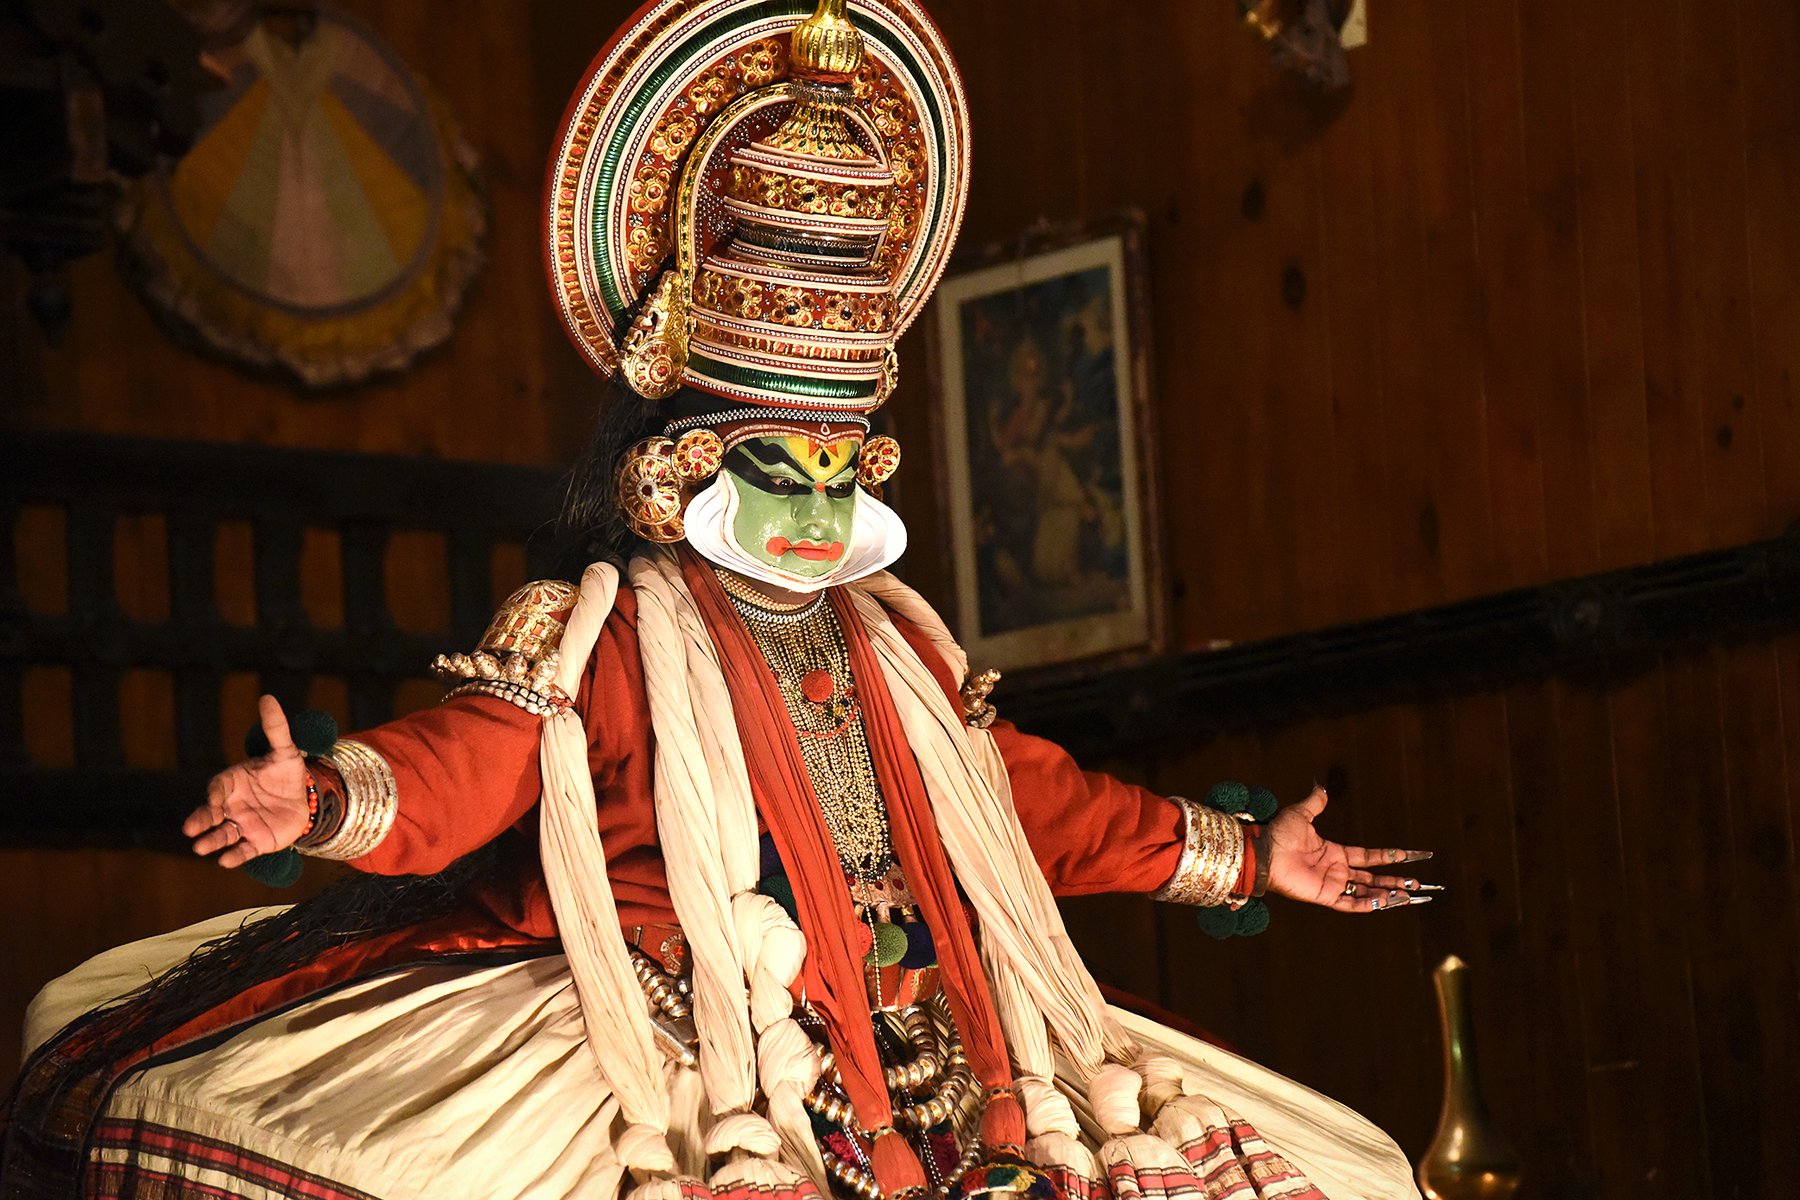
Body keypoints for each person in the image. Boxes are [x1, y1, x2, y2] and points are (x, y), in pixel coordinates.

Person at [2, 3, 1428, 1198]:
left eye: (838, 467)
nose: (814, 505)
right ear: (687, 467)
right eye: (778, 467)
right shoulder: (612, 631)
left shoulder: (904, 652)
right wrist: (321, 799)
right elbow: (481, 763)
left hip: (953, 1055)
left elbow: (1026, 806)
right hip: (695, 1056)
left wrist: (1249, 862)